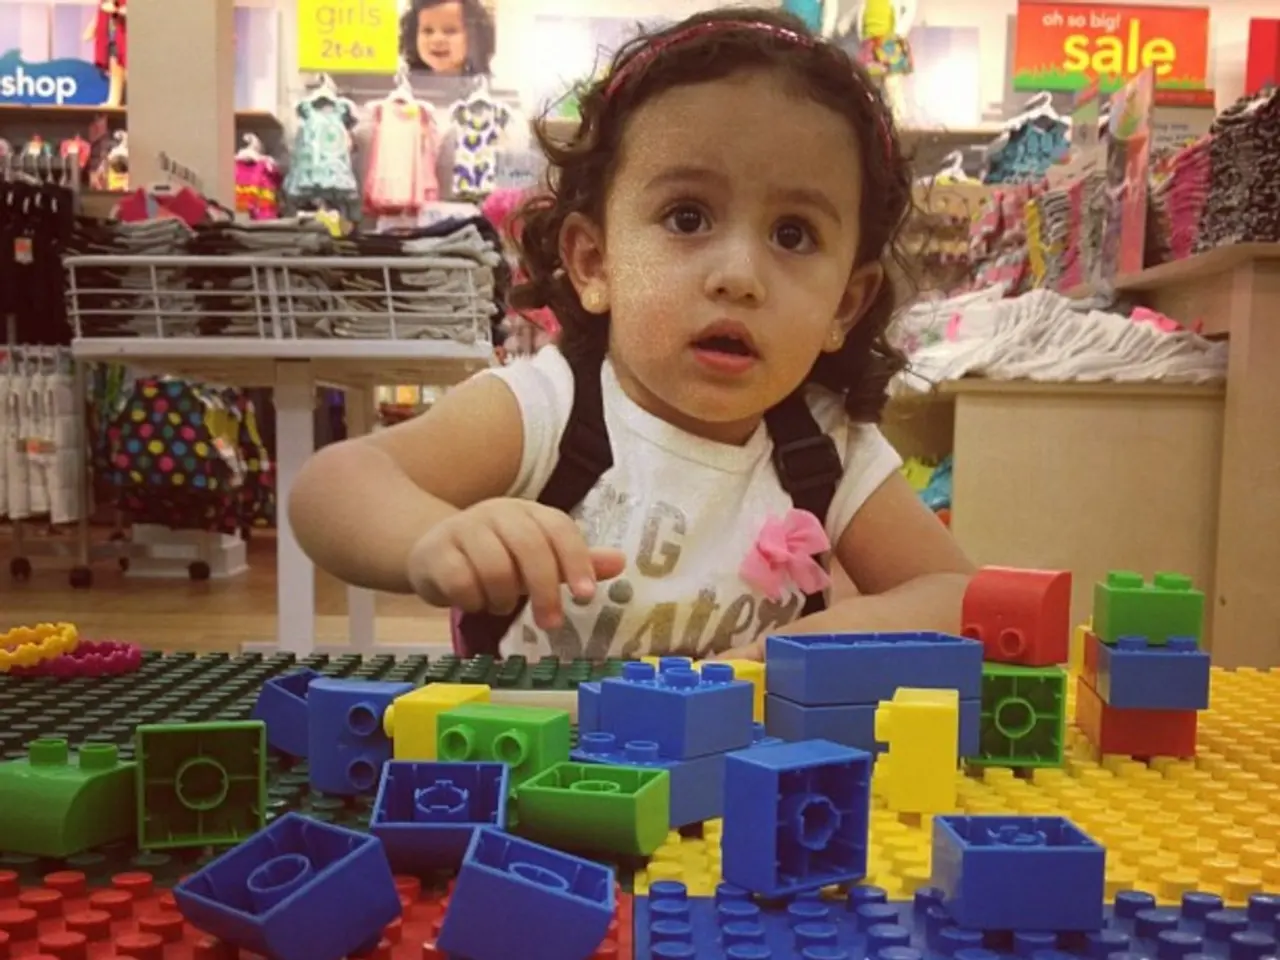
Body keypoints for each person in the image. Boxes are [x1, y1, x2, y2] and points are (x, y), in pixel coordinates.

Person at [290, 7, 975, 662]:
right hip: (535, 742)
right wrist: (433, 538)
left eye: (793, 234)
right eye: (687, 218)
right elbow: (333, 485)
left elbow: (961, 595)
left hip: (740, 749)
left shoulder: (827, 449)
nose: (739, 277)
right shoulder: (546, 412)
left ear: (844, 307)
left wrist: (845, 633)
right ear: (595, 262)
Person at [399, 0, 495, 76]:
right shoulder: (402, 86)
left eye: (450, 31)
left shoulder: (484, 87)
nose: (437, 39)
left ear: (475, 36)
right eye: (428, 31)